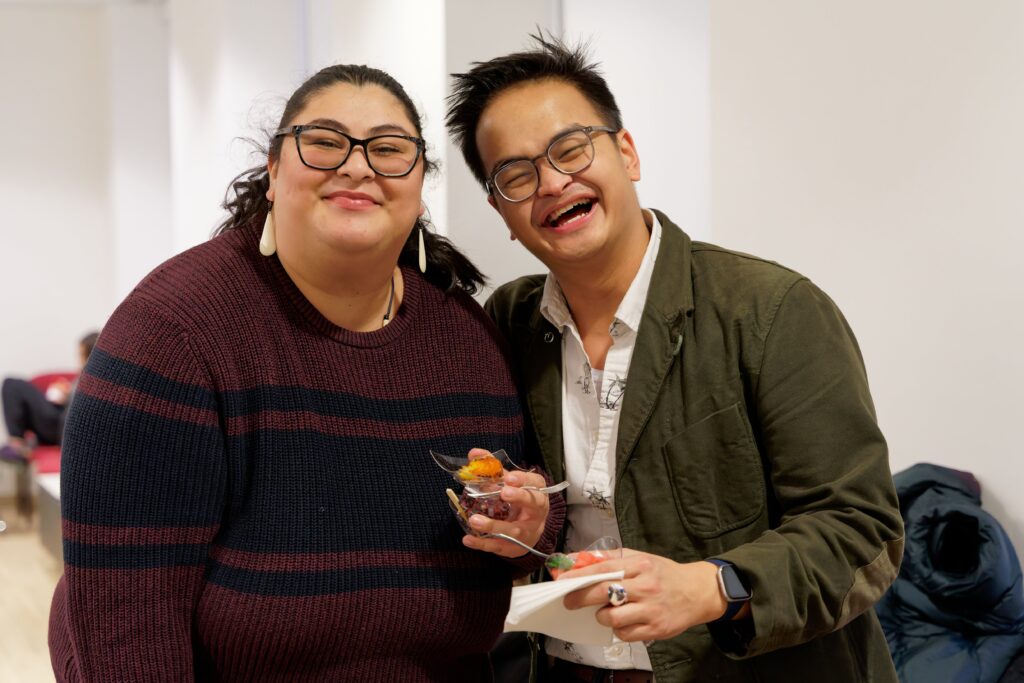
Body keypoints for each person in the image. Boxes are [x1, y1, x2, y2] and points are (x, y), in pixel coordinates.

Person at [48, 64, 563, 682]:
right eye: (324, 141)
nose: (357, 165)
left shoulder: (467, 341)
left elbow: (525, 506)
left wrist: (528, 524)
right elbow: (125, 619)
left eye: (389, 149)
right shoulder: (173, 334)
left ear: (420, 186)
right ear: (272, 170)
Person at [446, 36, 904, 682]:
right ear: (501, 210)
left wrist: (712, 586)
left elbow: (863, 532)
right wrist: (529, 520)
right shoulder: (511, 323)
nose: (552, 182)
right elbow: (535, 513)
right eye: (517, 175)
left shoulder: (771, 310)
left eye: (571, 148)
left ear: (626, 153)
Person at [0, 331, 98, 461]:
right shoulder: (84, 376)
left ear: (89, 355)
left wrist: (69, 396)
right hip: (59, 418)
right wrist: (65, 393)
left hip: (60, 425)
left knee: (11, 384)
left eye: (81, 354)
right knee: (13, 387)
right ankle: (20, 443)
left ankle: (17, 442)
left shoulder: (93, 377)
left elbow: (82, 407)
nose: (78, 359)